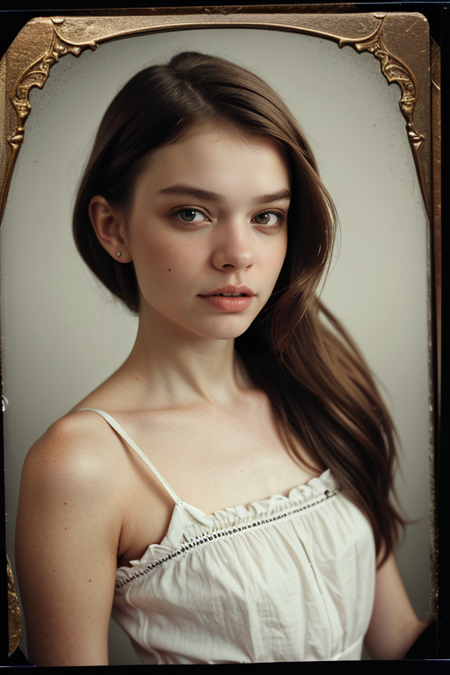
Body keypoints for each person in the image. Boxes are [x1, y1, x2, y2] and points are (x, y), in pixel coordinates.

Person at [15, 51, 432, 665]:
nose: (238, 254)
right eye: (192, 213)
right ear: (113, 229)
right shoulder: (81, 465)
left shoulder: (318, 389)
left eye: (267, 216)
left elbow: (396, 640)